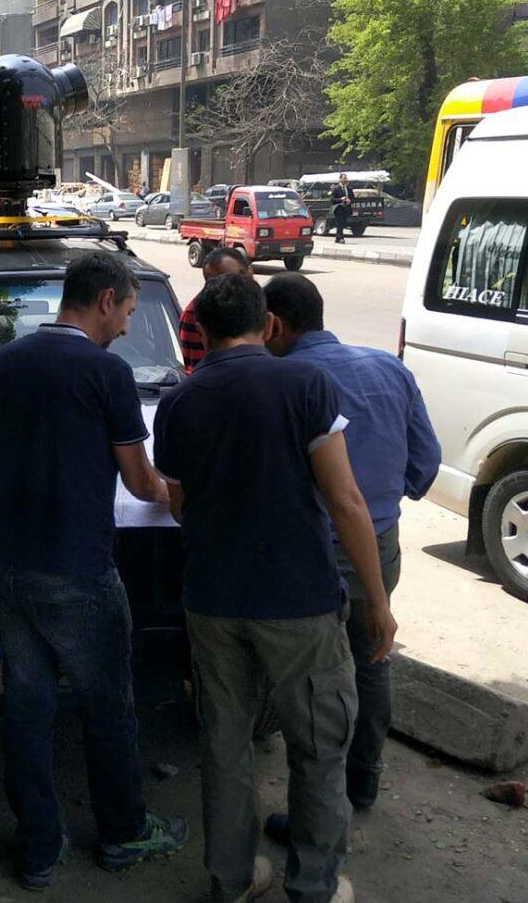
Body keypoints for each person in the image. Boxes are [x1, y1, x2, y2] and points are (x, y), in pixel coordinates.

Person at [154, 274, 397, 903]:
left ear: (201, 332)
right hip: (299, 602)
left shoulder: (178, 404)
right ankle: (313, 887)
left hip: (213, 601)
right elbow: (345, 501)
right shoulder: (305, 384)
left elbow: (180, 505)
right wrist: (377, 599)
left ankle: (233, 881)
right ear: (266, 325)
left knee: (226, 745)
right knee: (317, 745)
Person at [0, 251, 187, 891]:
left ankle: (39, 850)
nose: (127, 325)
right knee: (108, 706)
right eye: (127, 311)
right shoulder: (106, 373)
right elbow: (140, 481)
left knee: (27, 708)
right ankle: (123, 833)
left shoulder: (4, 361)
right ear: (105, 300)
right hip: (77, 572)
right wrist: (185, 498)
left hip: (7, 565)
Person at [262, 273, 439, 827]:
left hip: (309, 551)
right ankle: (363, 781)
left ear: (273, 325)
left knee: (313, 679)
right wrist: (385, 496)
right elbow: (426, 462)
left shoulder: (282, 381)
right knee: (371, 660)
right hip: (379, 545)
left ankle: (316, 812)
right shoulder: (389, 367)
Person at [178, 246, 250, 373]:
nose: (223, 289)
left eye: (233, 281)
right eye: (214, 283)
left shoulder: (261, 306)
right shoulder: (195, 315)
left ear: (248, 273)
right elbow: (198, 372)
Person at [329, 174, 352, 245]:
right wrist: (340, 199)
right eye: (343, 178)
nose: (345, 180)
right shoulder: (336, 188)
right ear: (340, 179)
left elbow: (352, 198)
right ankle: (341, 237)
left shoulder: (349, 188)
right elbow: (332, 199)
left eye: (346, 178)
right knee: (339, 223)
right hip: (338, 208)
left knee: (343, 223)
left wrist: (349, 200)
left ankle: (337, 238)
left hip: (346, 208)